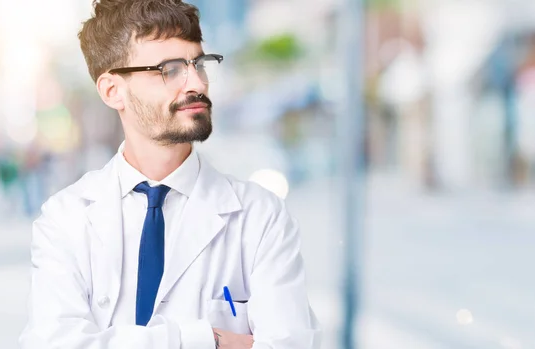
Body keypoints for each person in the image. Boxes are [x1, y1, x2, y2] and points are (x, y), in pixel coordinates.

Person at [19, 1, 321, 348]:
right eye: (170, 69)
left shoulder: (261, 217)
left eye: (199, 63)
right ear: (112, 91)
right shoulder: (65, 219)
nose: (197, 83)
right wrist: (209, 339)